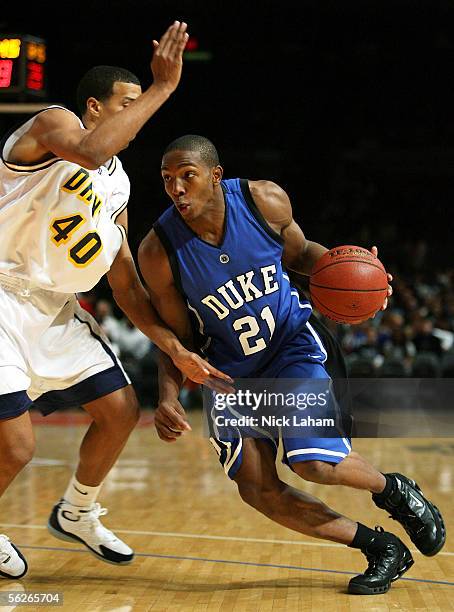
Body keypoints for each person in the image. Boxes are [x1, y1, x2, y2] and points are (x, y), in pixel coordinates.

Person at [137, 135, 446, 596]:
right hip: (229, 376)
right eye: (167, 180)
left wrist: (364, 276)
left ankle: (394, 490)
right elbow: (176, 337)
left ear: (215, 175)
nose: (177, 189)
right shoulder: (159, 251)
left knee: (313, 463)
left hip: (291, 348)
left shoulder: (262, 200)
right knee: (257, 490)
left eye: (187, 176)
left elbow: (303, 256)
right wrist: (166, 397)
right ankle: (381, 548)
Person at [0, 25, 232, 580]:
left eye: (142, 104)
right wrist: (162, 87)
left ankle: (77, 510)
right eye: (128, 105)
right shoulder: (55, 123)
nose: (140, 115)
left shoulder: (120, 185)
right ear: (94, 106)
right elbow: (90, 148)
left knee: (121, 409)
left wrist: (174, 349)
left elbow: (125, 284)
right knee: (16, 448)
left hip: (54, 306)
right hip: (3, 294)